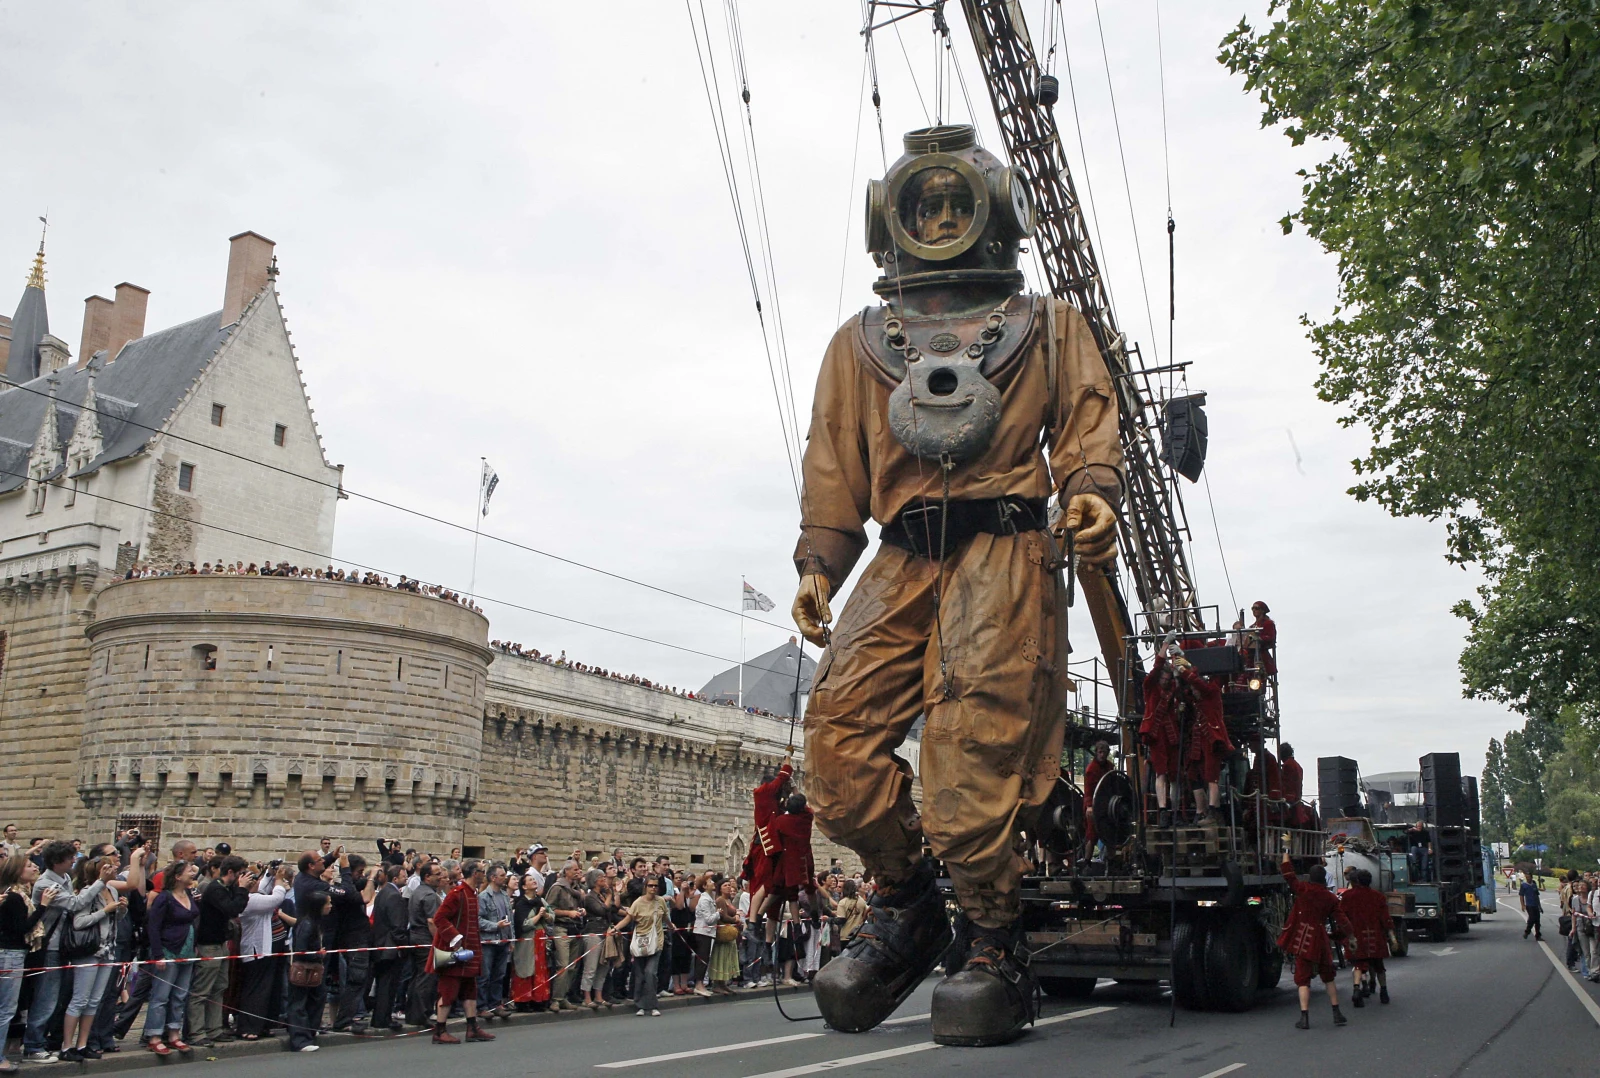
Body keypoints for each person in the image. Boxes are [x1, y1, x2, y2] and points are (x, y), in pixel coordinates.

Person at [793, 123, 1124, 1048]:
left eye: (954, 202)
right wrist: (820, 564)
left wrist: (1090, 490)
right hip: (901, 554)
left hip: (1005, 548)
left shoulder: (1048, 327)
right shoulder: (859, 344)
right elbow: (834, 463)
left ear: (996, 213)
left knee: (968, 758)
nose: (939, 218)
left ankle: (991, 937)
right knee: (836, 753)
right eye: (923, 204)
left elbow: (1089, 421)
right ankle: (907, 904)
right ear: (890, 221)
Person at [60, 857, 128, 1061]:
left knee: (95, 1000)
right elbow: (79, 922)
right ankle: (67, 1045)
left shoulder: (112, 890)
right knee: (80, 999)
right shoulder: (88, 891)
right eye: (108, 866)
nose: (113, 868)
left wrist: (121, 909)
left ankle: (83, 1044)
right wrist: (104, 910)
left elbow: (114, 920)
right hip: (89, 950)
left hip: (108, 950)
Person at [1279, 853, 1352, 1029]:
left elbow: (1289, 876)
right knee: (1328, 977)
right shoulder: (1330, 898)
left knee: (1303, 980)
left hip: (1303, 938)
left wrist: (1285, 855)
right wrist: (1347, 936)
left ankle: (1304, 1017)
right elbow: (1343, 921)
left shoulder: (1303, 889)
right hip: (1320, 939)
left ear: (1310, 877)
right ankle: (1336, 1012)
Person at [190, 855, 256, 1046]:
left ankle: (214, 1029)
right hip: (208, 945)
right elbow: (233, 909)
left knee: (219, 988)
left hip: (221, 943)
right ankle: (196, 1032)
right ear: (231, 872)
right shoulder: (215, 889)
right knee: (202, 990)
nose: (243, 877)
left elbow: (239, 906)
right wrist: (242, 889)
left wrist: (243, 889)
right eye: (241, 873)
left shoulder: (228, 888)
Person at [430, 859, 494, 1044]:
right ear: (475, 873)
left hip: (468, 953)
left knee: (470, 990)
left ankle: (472, 1028)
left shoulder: (472, 893)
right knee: (448, 991)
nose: (484, 875)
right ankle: (440, 1031)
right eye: (482, 871)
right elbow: (439, 918)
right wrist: (455, 938)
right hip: (454, 952)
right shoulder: (457, 894)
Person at [143, 861, 202, 1055]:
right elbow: (153, 927)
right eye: (188, 871)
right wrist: (158, 954)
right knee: (161, 995)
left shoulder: (189, 894)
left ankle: (174, 1033)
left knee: (180, 995)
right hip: (169, 950)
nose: (192, 874)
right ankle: (154, 1035)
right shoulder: (165, 898)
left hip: (187, 951)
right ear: (177, 877)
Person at [0, 854, 49, 1072]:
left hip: (10, 953)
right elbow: (22, 928)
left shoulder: (15, 895)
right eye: (29, 866)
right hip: (10, 954)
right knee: (6, 1009)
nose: (35, 868)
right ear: (18, 872)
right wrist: (43, 907)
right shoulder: (15, 897)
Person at [236, 864, 291, 1041]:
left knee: (271, 989)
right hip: (257, 950)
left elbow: (263, 888)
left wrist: (270, 873)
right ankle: (249, 1026)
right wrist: (279, 880)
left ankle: (265, 1024)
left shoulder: (255, 894)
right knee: (257, 989)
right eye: (253, 880)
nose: (257, 882)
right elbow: (276, 899)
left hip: (271, 949)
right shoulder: (249, 900)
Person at [1338, 868, 1395, 1007]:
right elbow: (1385, 919)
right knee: (1379, 966)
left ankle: (1356, 988)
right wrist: (1393, 938)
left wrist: (1344, 934)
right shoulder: (1378, 896)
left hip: (1356, 937)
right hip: (1375, 936)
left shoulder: (1347, 896)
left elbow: (1342, 917)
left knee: (1358, 964)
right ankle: (1384, 992)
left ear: (1356, 881)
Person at [614, 875, 668, 1016]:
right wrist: (616, 928)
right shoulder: (638, 903)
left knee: (651, 973)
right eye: (650, 885)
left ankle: (652, 1005)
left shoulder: (661, 901)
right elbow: (628, 918)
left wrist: (671, 925)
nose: (653, 888)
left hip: (656, 941)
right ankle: (640, 1004)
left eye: (655, 886)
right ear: (645, 887)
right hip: (640, 941)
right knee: (640, 975)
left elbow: (665, 917)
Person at [285, 890, 328, 1053]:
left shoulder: (314, 923)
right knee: (299, 1003)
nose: (330, 906)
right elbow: (300, 950)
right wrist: (318, 954)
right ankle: (300, 1040)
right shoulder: (307, 924)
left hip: (313, 970)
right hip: (304, 970)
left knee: (316, 999)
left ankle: (309, 1032)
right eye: (327, 903)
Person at [370, 863, 410, 1030]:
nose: (406, 879)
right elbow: (397, 926)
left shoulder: (383, 892)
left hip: (381, 945)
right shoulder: (394, 896)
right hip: (390, 948)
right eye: (404, 876)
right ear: (395, 878)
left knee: (383, 985)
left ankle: (380, 1017)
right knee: (388, 985)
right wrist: (404, 946)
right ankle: (383, 1018)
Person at [476, 863, 513, 1018]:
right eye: (502, 875)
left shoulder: (504, 896)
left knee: (499, 975)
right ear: (493, 877)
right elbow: (478, 920)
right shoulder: (483, 897)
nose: (505, 878)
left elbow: (510, 919)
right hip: (489, 942)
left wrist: (511, 939)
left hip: (503, 941)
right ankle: (481, 1006)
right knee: (485, 975)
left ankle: (495, 1004)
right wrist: (495, 925)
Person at [708, 879, 741, 995]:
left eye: (729, 885)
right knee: (721, 958)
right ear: (720, 888)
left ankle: (723, 984)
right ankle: (717, 984)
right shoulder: (720, 900)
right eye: (725, 885)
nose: (728, 887)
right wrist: (735, 918)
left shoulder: (729, 900)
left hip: (729, 932)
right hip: (723, 932)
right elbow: (724, 917)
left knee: (727, 958)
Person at [1082, 740, 1114, 856]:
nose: (1102, 755)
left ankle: (1111, 860)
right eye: (1100, 752)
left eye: (1104, 752)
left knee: (1110, 833)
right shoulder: (1091, 769)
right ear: (1096, 752)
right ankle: (1087, 861)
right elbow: (1088, 790)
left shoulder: (1110, 766)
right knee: (1092, 834)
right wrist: (1089, 806)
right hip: (1094, 805)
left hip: (1107, 805)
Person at [1520, 872, 1545, 941]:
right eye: (1526, 877)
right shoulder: (1524, 885)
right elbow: (1521, 895)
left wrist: (1540, 906)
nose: (1528, 878)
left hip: (1535, 905)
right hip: (1529, 905)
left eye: (1529, 877)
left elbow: (1537, 896)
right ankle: (1527, 932)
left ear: (1532, 877)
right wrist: (1522, 905)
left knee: (1537, 921)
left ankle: (1538, 936)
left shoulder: (1534, 885)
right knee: (1532, 918)